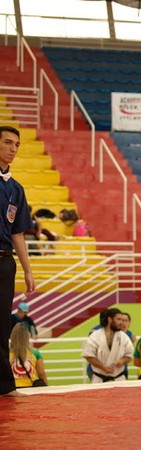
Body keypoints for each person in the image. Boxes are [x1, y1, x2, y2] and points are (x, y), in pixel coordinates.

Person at [0, 125, 36, 397]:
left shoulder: (16, 189)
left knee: (2, 325)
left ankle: (4, 386)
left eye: (17, 144)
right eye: (7, 142)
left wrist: (27, 270)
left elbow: (18, 233)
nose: (13, 148)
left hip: (4, 261)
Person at [82, 307, 133, 383]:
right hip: (99, 379)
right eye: (118, 319)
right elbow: (88, 356)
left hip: (119, 378)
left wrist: (122, 361)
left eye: (122, 320)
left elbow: (130, 355)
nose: (121, 323)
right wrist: (102, 367)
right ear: (110, 319)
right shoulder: (95, 336)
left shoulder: (124, 337)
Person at [9, 323, 48, 388]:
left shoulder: (6, 353)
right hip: (31, 386)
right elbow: (41, 373)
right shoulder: (35, 353)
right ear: (27, 336)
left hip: (12, 387)